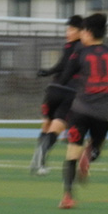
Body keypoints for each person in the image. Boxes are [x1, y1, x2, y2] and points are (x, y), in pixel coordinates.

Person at [55, 13, 108, 209]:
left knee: (72, 152)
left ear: (89, 33)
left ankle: (68, 196)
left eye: (82, 31)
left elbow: (63, 79)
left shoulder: (80, 53)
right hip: (102, 112)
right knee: (96, 146)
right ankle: (89, 155)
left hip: (80, 110)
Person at [30, 15, 83, 175]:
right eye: (68, 29)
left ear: (81, 31)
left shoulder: (69, 47)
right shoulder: (84, 48)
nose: (68, 32)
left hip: (53, 89)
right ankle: (41, 156)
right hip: (70, 92)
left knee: (46, 124)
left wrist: (49, 71)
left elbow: (62, 65)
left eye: (71, 29)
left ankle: (40, 160)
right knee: (57, 126)